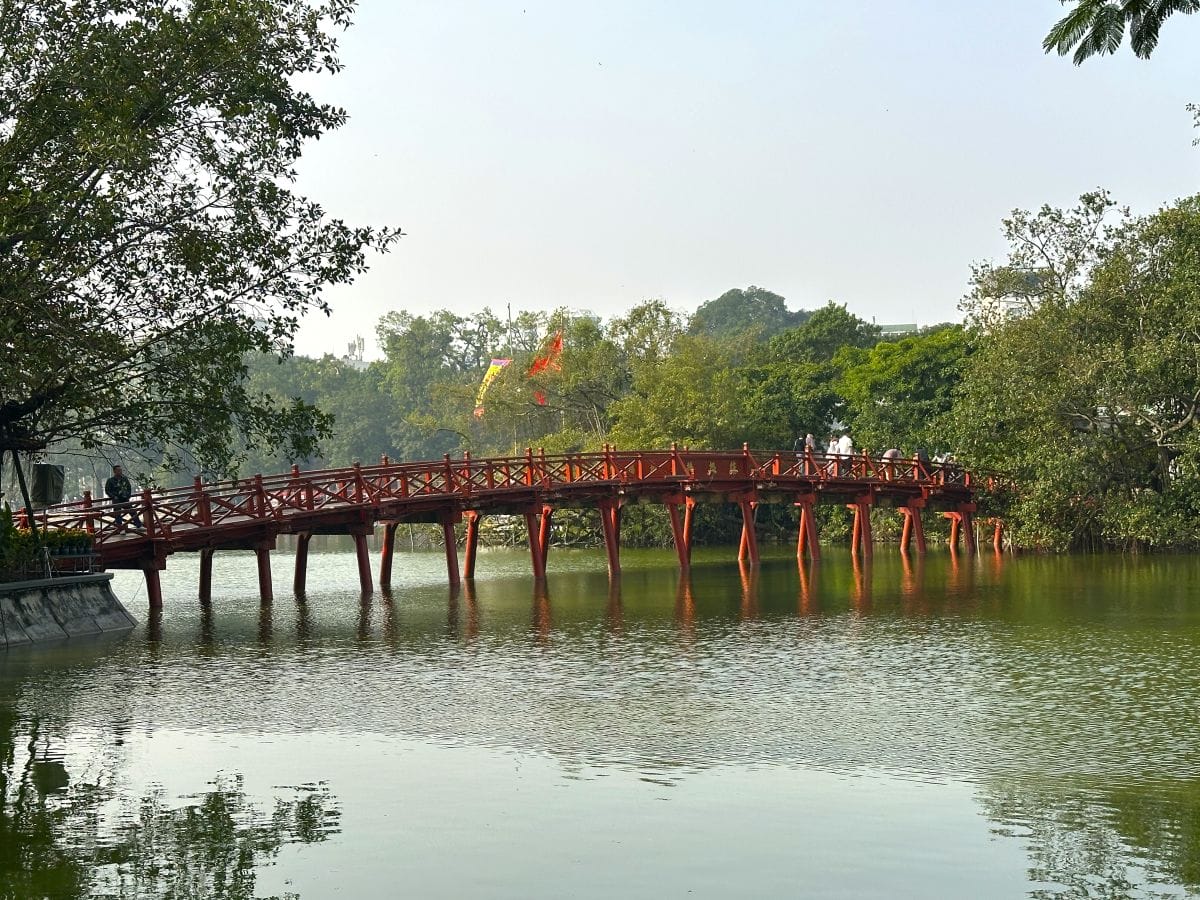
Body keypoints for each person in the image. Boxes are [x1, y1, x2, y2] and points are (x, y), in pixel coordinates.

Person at [104, 465, 143, 530]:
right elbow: (107, 491)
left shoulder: (124, 479)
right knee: (118, 514)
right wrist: (114, 496)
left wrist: (128, 495)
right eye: (118, 470)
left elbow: (129, 488)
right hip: (117, 500)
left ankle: (139, 525)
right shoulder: (110, 480)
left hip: (125, 498)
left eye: (121, 470)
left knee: (132, 511)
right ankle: (120, 529)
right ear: (114, 471)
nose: (120, 471)